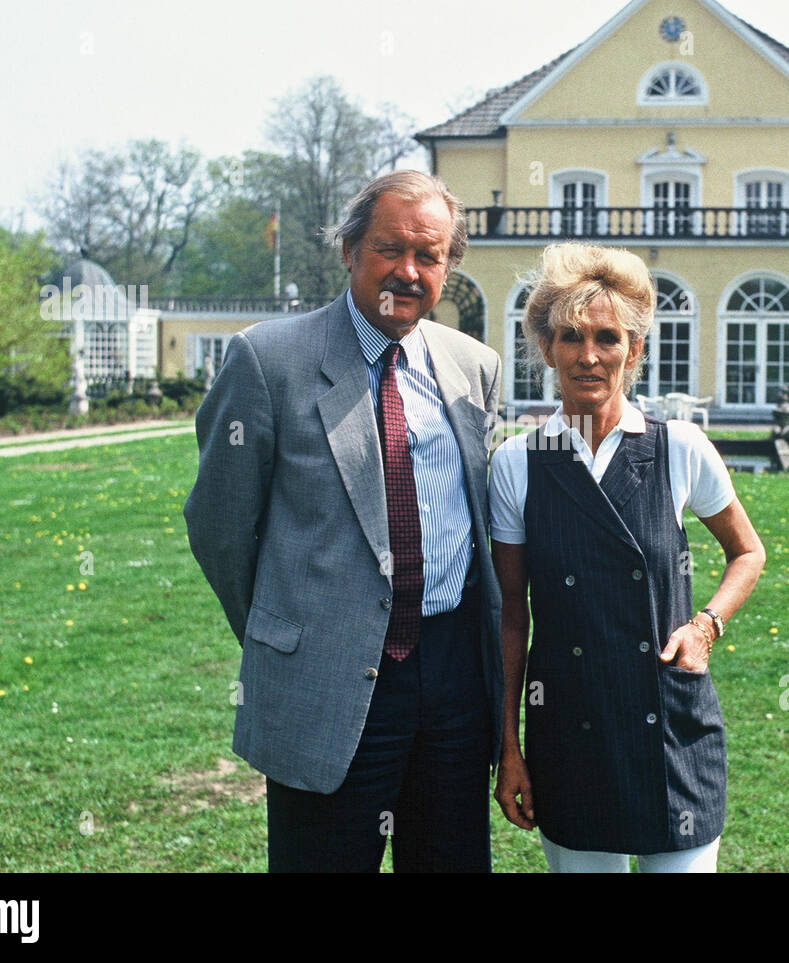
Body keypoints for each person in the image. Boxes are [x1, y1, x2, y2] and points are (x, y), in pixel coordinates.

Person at [183, 171, 503, 872]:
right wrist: (288, 633)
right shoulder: (269, 360)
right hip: (327, 677)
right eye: (391, 248)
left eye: (431, 255)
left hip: (453, 681)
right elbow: (220, 526)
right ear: (349, 249)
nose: (410, 271)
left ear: (450, 265)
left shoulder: (474, 367)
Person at [489, 243, 766, 872]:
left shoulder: (679, 448)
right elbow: (510, 614)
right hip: (568, 729)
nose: (589, 355)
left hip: (670, 727)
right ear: (547, 348)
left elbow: (747, 552)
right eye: (571, 337)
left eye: (608, 338)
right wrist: (508, 745)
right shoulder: (516, 465)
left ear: (634, 351)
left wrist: (706, 626)